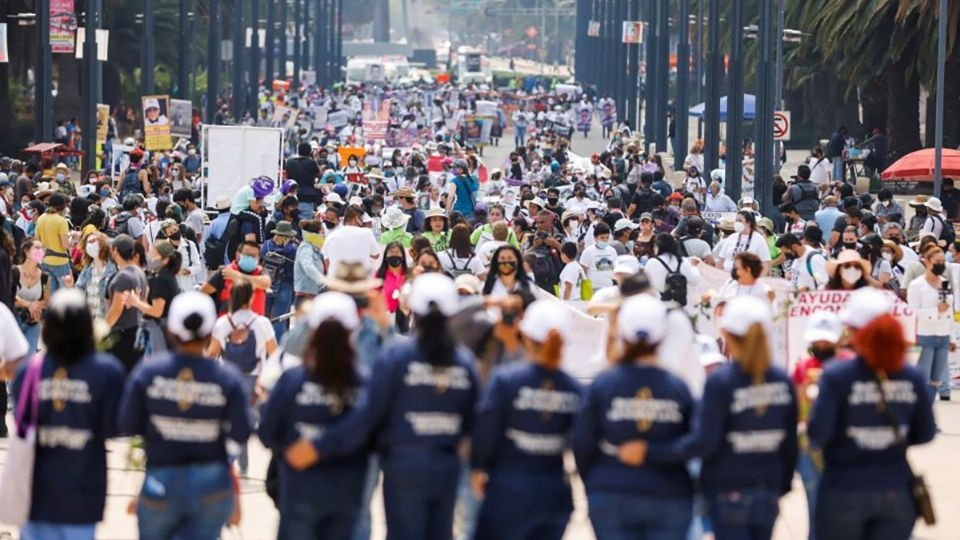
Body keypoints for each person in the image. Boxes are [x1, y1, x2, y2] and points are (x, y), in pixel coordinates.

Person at [284, 274, 480, 540]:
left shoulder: (397, 357)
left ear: (413, 310)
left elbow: (369, 414)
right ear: (452, 314)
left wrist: (320, 446)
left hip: (403, 466)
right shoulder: (465, 363)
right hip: (447, 469)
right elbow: (476, 422)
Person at [118, 291, 253, 540]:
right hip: (211, 484)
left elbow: (127, 423)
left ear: (171, 330)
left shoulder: (148, 373)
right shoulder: (228, 378)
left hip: (161, 478)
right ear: (210, 330)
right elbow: (242, 430)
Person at [808, 288, 936, 539]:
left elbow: (818, 434)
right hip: (894, 489)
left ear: (855, 331)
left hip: (844, 488)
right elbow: (925, 433)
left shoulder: (837, 375)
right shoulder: (912, 376)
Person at [572, 294, 695, 539]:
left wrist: (597, 481)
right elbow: (694, 442)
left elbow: (582, 442)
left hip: (611, 491)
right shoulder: (677, 387)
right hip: (668, 494)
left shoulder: (603, 384)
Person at [11, 289, 126, 540]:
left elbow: (21, 422)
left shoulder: (29, 371)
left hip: (36, 496)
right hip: (83, 497)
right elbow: (114, 428)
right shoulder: (107, 371)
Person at [259, 292, 370, 540]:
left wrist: (296, 448)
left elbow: (267, 431)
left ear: (311, 331)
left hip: (299, 486)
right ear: (353, 331)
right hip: (347, 490)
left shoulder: (292, 380)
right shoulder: (364, 384)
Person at [470, 301, 583, 539]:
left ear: (527, 336)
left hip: (508, 489)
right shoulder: (574, 388)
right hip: (554, 493)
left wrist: (478, 467)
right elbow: (584, 442)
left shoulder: (506, 380)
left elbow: (486, 428)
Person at [206, 279, 277, 474]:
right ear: (251, 297)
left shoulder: (222, 323)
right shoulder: (261, 323)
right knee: (248, 419)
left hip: (228, 378)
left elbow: (212, 353)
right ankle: (244, 462)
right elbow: (274, 353)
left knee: (230, 418)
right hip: (254, 379)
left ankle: (233, 459)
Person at [792, 311, 849, 540]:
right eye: (817, 340)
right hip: (810, 450)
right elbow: (796, 409)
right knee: (816, 510)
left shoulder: (851, 366)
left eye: (826, 340)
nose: (821, 344)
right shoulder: (802, 368)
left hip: (844, 451)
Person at [907, 246, 954, 412]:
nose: (941, 265)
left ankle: (927, 413)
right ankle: (920, 414)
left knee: (935, 380)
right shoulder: (916, 285)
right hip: (925, 335)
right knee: (923, 378)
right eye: (937, 262)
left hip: (942, 335)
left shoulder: (945, 283)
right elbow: (912, 312)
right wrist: (934, 312)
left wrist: (952, 337)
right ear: (927, 262)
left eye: (943, 262)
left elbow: (949, 310)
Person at [123, 240, 181, 354]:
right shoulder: (162, 276)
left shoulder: (162, 279)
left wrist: (137, 302)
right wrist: (140, 301)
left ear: (165, 260)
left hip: (161, 330)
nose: (149, 257)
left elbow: (157, 311)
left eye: (153, 255)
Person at [104, 234, 149, 373]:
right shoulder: (139, 272)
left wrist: (102, 330)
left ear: (115, 250)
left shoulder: (123, 276)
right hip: (136, 330)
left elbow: (116, 309)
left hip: (122, 336)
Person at [200, 240, 272, 315]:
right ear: (238, 255)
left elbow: (266, 283)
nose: (251, 258)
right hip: (227, 323)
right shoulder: (225, 272)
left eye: (254, 256)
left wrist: (237, 276)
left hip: (254, 324)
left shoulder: (260, 271)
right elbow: (203, 291)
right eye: (247, 255)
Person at [13, 238, 51, 356]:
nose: (41, 251)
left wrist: (37, 305)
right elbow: (9, 295)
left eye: (42, 248)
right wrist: (29, 304)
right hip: (14, 321)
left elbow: (46, 300)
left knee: (29, 360)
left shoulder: (44, 277)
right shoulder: (14, 271)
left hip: (33, 322)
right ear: (26, 251)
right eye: (37, 247)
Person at [261, 221, 298, 338]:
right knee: (280, 318)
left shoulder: (266, 246)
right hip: (285, 285)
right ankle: (277, 346)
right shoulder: (292, 250)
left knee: (264, 318)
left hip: (267, 284)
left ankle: (263, 343)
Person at [322, 205, 381, 277]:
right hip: (360, 281)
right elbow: (376, 255)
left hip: (336, 282)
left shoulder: (330, 237)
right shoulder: (367, 233)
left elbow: (326, 263)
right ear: (356, 218)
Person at [644, 233, 701, 306]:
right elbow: (695, 280)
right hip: (679, 305)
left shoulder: (652, 262)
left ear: (658, 246)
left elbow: (646, 284)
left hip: (658, 304)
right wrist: (693, 267)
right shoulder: (683, 261)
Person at [34, 193, 73, 293]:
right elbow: (65, 246)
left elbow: (36, 242)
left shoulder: (40, 219)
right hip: (60, 262)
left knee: (51, 294)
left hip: (45, 261)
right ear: (63, 206)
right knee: (64, 295)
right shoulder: (62, 221)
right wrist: (71, 238)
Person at [293, 220, 327, 304]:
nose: (324, 236)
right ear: (315, 234)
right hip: (305, 294)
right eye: (322, 232)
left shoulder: (315, 249)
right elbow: (307, 265)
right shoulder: (306, 247)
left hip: (314, 292)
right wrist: (321, 280)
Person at [285, 142, 322, 218]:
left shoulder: (290, 162)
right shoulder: (312, 163)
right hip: (307, 196)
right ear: (310, 152)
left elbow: (287, 175)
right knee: (305, 222)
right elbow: (319, 174)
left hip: (292, 195)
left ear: (298, 151)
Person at [579, 223, 617, 289]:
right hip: (593, 287)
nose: (605, 240)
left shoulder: (612, 251)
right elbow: (583, 270)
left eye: (607, 237)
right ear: (595, 238)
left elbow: (615, 268)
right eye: (602, 238)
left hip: (609, 286)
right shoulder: (588, 251)